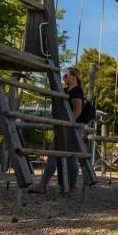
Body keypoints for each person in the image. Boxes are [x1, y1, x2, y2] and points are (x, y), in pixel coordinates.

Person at [27, 67, 89, 195]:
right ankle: (64, 186)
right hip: (66, 125)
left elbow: (77, 111)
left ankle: (54, 185)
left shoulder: (77, 91)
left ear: (74, 77)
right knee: (61, 154)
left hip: (72, 125)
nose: (64, 78)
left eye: (66, 76)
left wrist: (66, 125)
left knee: (66, 155)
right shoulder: (66, 90)